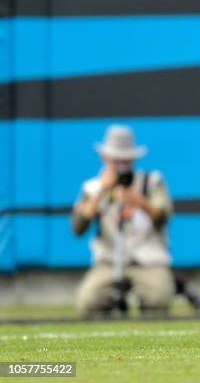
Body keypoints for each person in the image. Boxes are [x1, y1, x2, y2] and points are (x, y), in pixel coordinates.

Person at [71, 125, 175, 316]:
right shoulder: (92, 187)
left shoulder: (151, 182)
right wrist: (102, 191)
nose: (120, 165)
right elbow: (77, 227)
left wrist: (139, 202)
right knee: (88, 301)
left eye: (125, 159)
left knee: (158, 300)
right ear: (104, 158)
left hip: (147, 260)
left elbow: (164, 216)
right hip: (109, 261)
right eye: (115, 159)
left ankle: (166, 286)